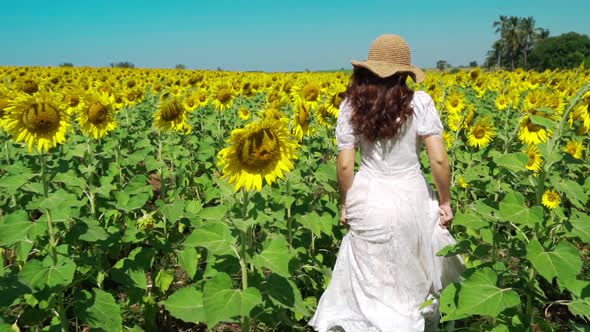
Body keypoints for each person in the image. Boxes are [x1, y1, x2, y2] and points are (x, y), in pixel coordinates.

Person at [307, 34, 465, 332]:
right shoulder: (420, 102)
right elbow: (440, 161)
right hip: (413, 199)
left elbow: (344, 164)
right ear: (404, 72)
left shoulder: (351, 106)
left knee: (369, 281)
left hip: (368, 198)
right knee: (410, 282)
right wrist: (444, 201)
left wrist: (345, 203)